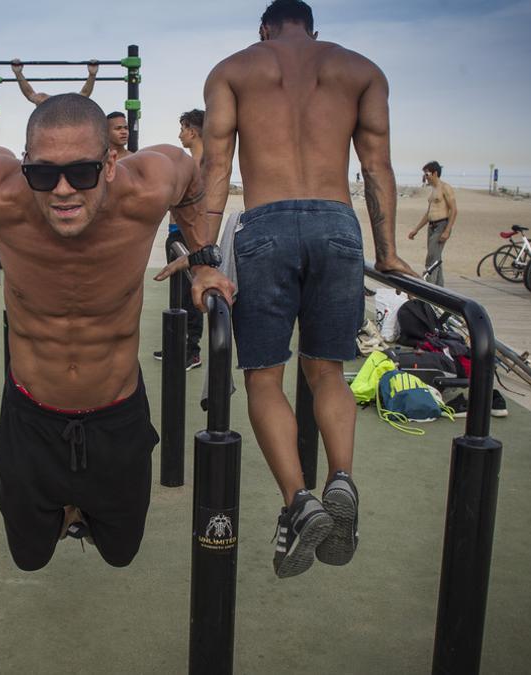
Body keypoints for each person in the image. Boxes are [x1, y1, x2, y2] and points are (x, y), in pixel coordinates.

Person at [0, 94, 232, 571]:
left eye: (81, 172)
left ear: (111, 163)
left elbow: (188, 174)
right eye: (43, 174)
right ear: (24, 166)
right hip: (30, 415)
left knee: (122, 553)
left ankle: (80, 508)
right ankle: (64, 509)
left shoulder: (147, 187)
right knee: (29, 558)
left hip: (116, 414)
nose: (62, 190)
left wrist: (203, 262)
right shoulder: (1, 192)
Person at [196, 0, 413, 578]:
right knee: (328, 371)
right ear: (313, 29)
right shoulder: (360, 70)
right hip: (337, 224)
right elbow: (377, 167)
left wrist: (204, 257)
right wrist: (387, 252)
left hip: (266, 222)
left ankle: (299, 500)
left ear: (264, 29)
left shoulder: (234, 69)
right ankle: (340, 479)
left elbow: (215, 168)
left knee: (263, 376)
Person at [154, 109, 205, 369]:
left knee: (190, 292)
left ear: (193, 131)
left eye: (183, 129)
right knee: (177, 293)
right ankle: (176, 343)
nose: (180, 134)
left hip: (189, 235)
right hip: (175, 234)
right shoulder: (187, 163)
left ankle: (191, 350)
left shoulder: (203, 165)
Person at [406, 161, 457, 286]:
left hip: (442, 225)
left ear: (435, 173)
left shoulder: (445, 188)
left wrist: (447, 230)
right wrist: (416, 229)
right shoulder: (433, 190)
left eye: (427, 174)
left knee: (431, 259)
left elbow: (454, 210)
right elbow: (428, 213)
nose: (425, 177)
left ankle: (430, 287)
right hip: (432, 226)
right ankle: (440, 289)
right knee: (436, 258)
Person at [10, 59, 99, 105]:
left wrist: (92, 75)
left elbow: (85, 94)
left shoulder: (71, 102)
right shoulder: (43, 100)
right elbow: (30, 94)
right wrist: (18, 73)